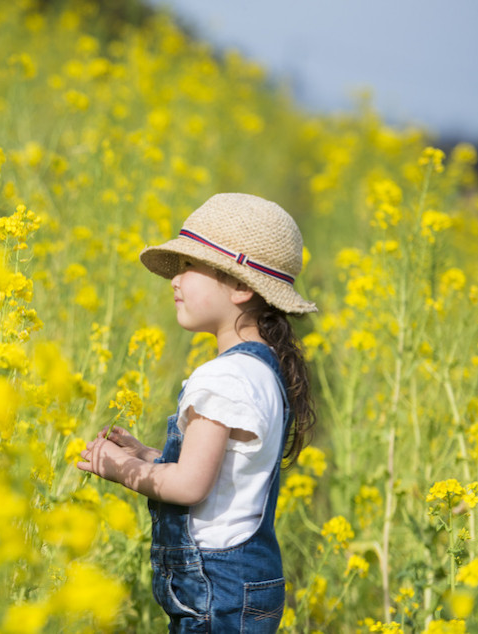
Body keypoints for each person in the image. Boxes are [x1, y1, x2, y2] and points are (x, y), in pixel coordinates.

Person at [76, 193, 317, 633]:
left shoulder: (222, 378)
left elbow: (190, 486)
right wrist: (150, 456)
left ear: (241, 287)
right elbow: (224, 473)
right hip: (247, 580)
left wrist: (121, 468)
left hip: (214, 587)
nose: (176, 280)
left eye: (190, 267)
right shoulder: (263, 370)